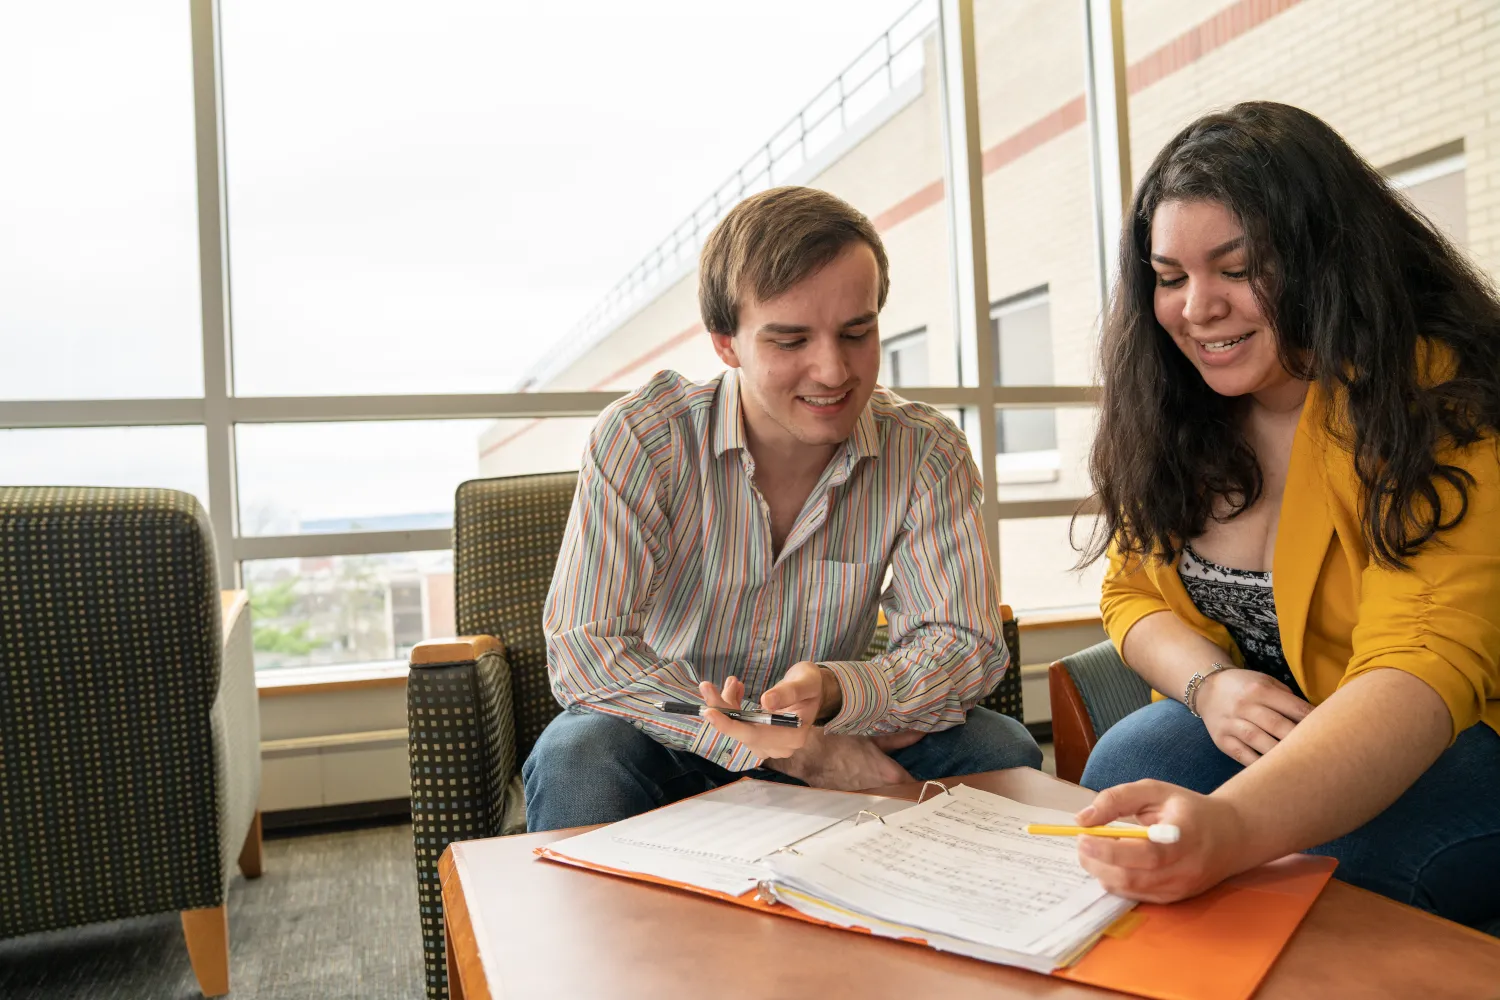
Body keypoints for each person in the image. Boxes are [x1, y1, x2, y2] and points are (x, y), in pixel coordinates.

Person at [1075, 101, 1500, 932]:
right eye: (1170, 277)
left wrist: (1235, 827)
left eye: (1239, 268)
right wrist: (1211, 686)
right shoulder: (1181, 409)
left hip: (1458, 730)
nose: (1198, 308)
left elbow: (1422, 662)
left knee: (1338, 877)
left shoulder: (1431, 390)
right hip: (1291, 712)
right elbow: (1130, 592)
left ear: (1326, 260)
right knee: (1130, 759)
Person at [522, 186, 1040, 832]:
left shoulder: (926, 450)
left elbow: (965, 644)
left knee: (1000, 751)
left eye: (857, 333)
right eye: (790, 341)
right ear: (725, 344)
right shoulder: (643, 437)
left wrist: (837, 692)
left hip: (843, 724)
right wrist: (795, 750)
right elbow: (587, 650)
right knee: (577, 757)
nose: (832, 371)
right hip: (670, 733)